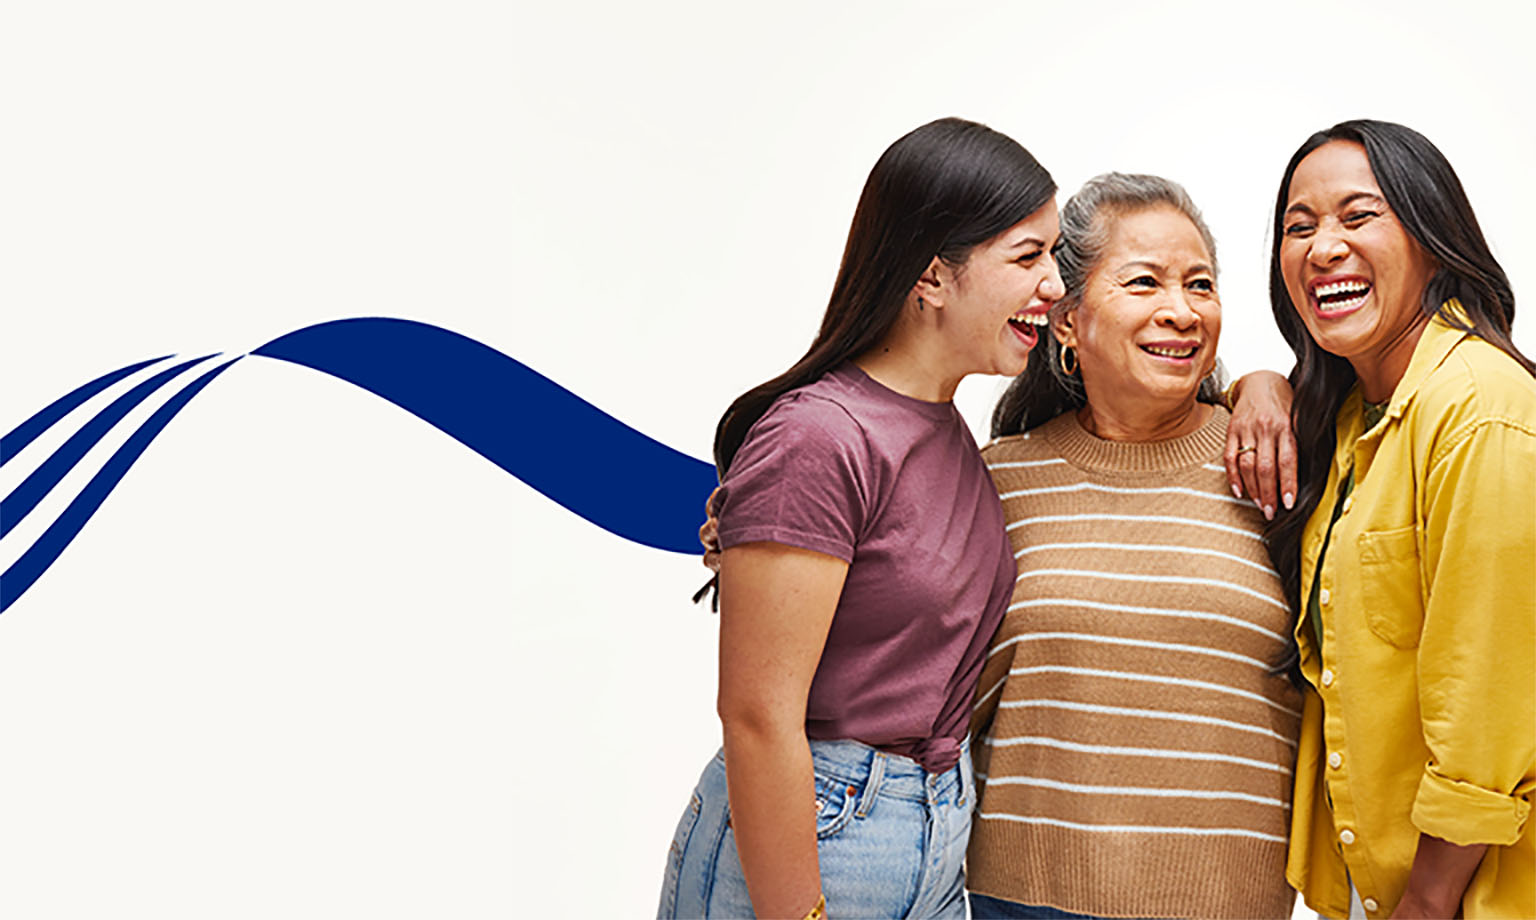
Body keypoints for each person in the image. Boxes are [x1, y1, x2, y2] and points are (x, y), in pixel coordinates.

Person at [657, 116, 1061, 920]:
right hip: (821, 836)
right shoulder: (819, 437)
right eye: (1028, 256)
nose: (1054, 283)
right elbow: (757, 713)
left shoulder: (951, 434)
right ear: (933, 276)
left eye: (1053, 255)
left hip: (936, 834)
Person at [967, 173, 1301, 920]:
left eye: (1201, 285)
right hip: (1019, 900)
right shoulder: (994, 482)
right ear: (1066, 321)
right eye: (1144, 282)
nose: (1180, 312)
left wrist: (1269, 387)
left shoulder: (1276, 464)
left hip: (1231, 903)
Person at [1263, 119, 1536, 919]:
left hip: (1471, 896)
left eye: (1359, 216)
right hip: (1372, 885)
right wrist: (1256, 383)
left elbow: (1490, 692)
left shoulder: (1481, 411)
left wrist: (1429, 898)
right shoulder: (1351, 415)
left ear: (1432, 238)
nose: (1322, 248)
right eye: (1298, 226)